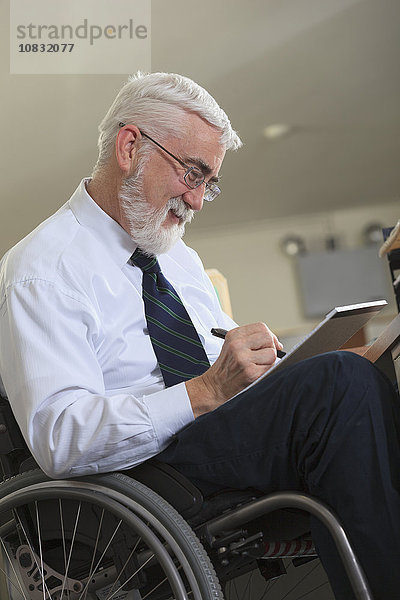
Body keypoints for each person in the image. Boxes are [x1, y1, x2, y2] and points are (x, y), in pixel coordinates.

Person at [0, 72, 399, 599]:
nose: (199, 200)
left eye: (209, 182)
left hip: (206, 440)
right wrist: (206, 391)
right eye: (193, 173)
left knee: (360, 376)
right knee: (340, 387)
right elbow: (62, 439)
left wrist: (276, 367)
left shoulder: (177, 257)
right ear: (130, 146)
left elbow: (228, 370)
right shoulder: (40, 271)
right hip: (143, 475)